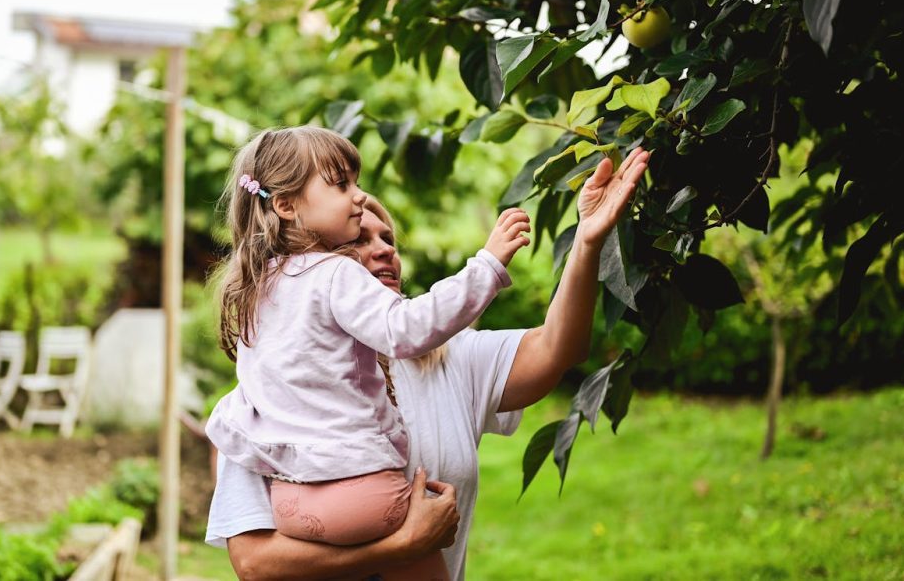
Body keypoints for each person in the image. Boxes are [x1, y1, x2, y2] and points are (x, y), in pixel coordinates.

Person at [206, 146, 651, 580]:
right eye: (360, 238)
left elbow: (558, 349)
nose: (383, 249)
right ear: (317, 251)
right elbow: (254, 563)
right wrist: (405, 544)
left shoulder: (448, 360)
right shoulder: (265, 398)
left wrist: (588, 241)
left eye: (389, 239)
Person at [204, 126, 531, 576]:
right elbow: (407, 328)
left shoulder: (259, 291)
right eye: (341, 185)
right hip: (361, 493)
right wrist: (486, 266)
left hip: (291, 497)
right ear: (285, 205)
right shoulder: (335, 273)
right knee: (423, 555)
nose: (358, 196)